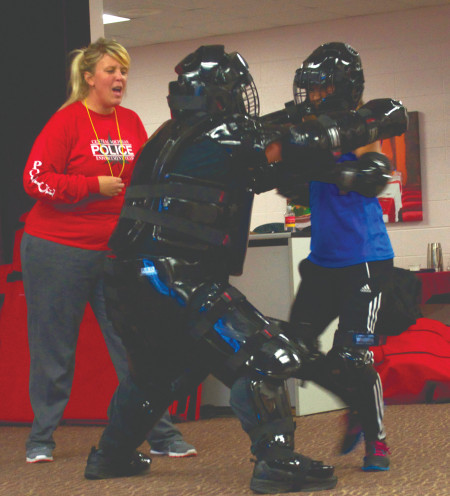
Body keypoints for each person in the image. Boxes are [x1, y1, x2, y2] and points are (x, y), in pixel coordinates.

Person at [83, 44, 406, 493]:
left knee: (155, 372)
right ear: (221, 94)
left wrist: (341, 176)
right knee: (268, 355)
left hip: (125, 277)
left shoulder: (167, 136)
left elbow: (267, 167)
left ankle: (111, 455)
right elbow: (297, 143)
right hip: (178, 276)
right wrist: (381, 118)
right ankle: (276, 460)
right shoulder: (224, 133)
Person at [21, 37, 196, 464]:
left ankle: (161, 434)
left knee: (136, 346)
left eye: (124, 72)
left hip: (114, 249)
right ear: (89, 77)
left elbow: (142, 179)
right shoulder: (67, 122)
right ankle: (41, 439)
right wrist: (90, 186)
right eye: (111, 71)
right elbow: (35, 180)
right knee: (54, 349)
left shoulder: (131, 122)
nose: (120, 79)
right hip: (56, 248)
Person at [281, 42, 399, 472]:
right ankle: (354, 401)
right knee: (292, 350)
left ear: (341, 87)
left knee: (352, 355)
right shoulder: (309, 130)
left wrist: (329, 172)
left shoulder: (360, 128)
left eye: (319, 87)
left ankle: (376, 439)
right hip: (323, 262)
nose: (311, 96)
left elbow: (373, 175)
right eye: (308, 88)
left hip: (364, 260)